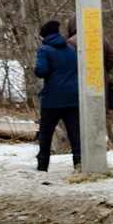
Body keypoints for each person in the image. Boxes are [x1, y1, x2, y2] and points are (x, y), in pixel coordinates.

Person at [34, 19, 80, 172]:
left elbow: (41, 71)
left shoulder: (45, 50)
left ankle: (42, 165)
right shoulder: (71, 49)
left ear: (44, 37)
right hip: (73, 98)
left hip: (52, 99)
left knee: (46, 132)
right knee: (75, 133)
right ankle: (79, 164)